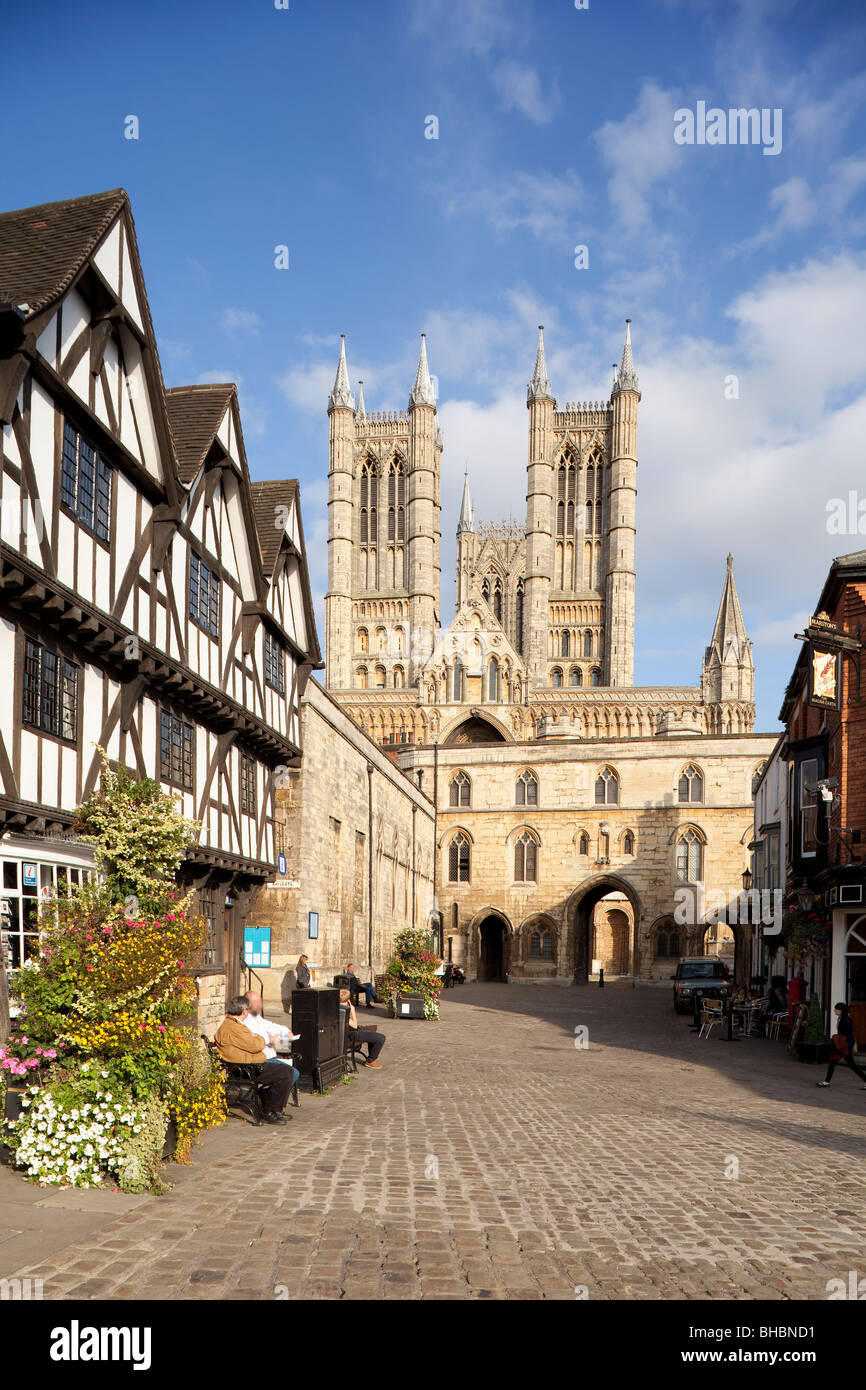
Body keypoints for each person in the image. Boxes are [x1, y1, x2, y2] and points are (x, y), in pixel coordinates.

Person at [214, 996, 295, 1123]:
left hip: (246, 1064)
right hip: (246, 1068)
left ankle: (275, 1110)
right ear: (245, 1011)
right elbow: (255, 1044)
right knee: (286, 1072)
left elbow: (253, 1039)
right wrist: (262, 1041)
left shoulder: (232, 1024)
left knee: (285, 1070)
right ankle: (271, 1112)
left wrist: (257, 1040)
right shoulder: (234, 1027)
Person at [243, 990, 301, 1092]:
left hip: (269, 1057)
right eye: (257, 1002)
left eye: (260, 1001)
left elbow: (270, 1026)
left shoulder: (256, 1017)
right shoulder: (246, 1021)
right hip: (260, 1061)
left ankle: (270, 1096)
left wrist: (286, 1032)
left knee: (292, 1071)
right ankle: (271, 1098)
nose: (260, 1004)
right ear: (249, 1004)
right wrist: (269, 1040)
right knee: (293, 1073)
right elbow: (254, 1040)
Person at [817, 1002, 866, 1088]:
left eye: (836, 1009)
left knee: (850, 1065)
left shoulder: (845, 1020)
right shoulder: (843, 1019)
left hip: (845, 1046)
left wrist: (838, 1042)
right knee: (836, 1062)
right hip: (844, 1045)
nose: (834, 1010)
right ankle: (826, 1081)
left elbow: (846, 1035)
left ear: (841, 1011)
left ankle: (826, 1081)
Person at [339, 988, 386, 1068]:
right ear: (347, 1000)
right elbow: (354, 1025)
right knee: (381, 1038)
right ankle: (370, 1060)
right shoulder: (342, 1010)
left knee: (372, 1030)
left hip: (351, 1031)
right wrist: (353, 1010)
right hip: (351, 1035)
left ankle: (371, 1059)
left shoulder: (339, 1007)